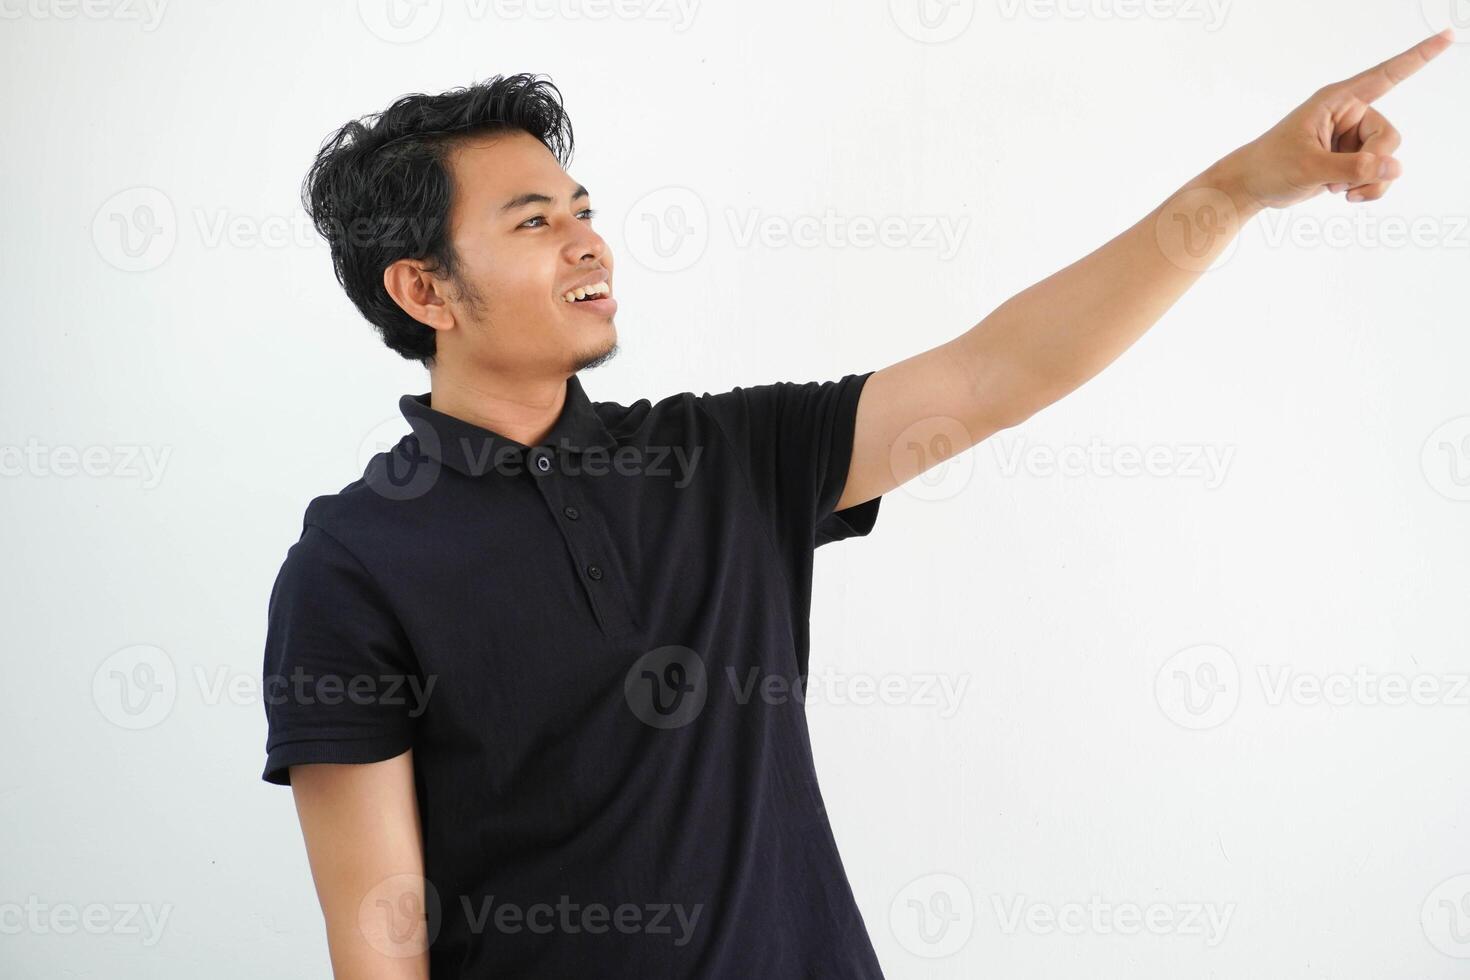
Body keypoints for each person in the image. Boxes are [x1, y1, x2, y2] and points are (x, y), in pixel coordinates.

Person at [261, 32, 1454, 978]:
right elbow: (379, 929)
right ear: (424, 288)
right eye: (536, 221)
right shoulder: (355, 561)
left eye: (582, 207)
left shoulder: (723, 455)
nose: (590, 242)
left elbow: (1000, 371)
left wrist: (1246, 184)